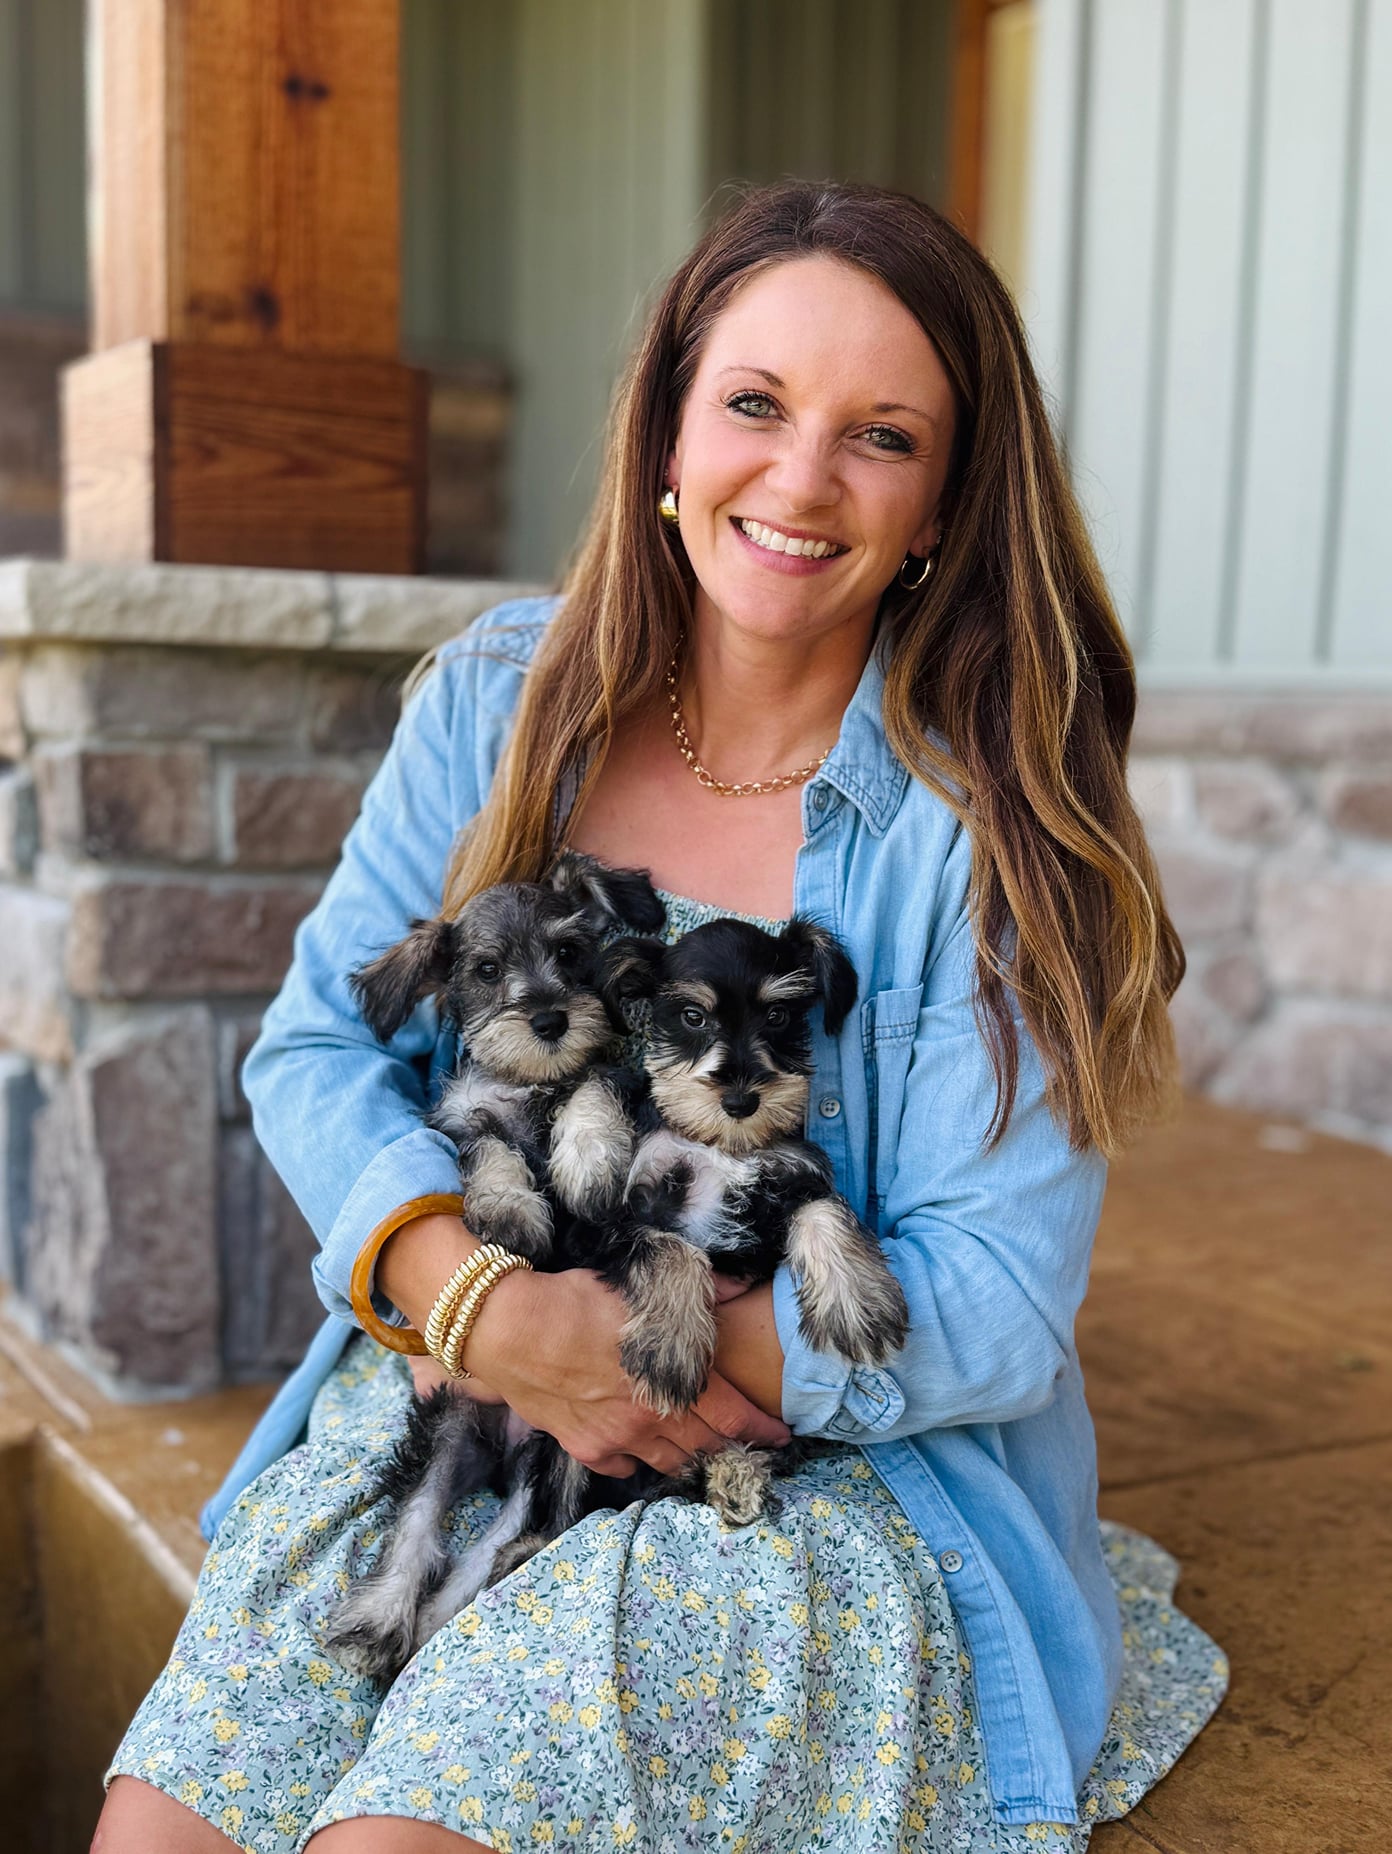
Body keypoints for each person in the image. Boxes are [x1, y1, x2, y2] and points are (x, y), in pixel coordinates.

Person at [95, 181, 1226, 1854]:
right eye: (755, 405)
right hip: (460, 1385)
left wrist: (624, 1361)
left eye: (883, 436)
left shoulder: (989, 819)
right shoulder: (497, 700)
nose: (800, 478)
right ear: (669, 436)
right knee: (161, 1834)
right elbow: (317, 1049)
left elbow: (992, 1298)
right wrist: (480, 1306)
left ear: (940, 507)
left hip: (817, 1473)